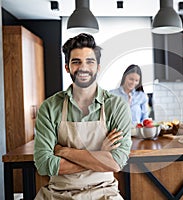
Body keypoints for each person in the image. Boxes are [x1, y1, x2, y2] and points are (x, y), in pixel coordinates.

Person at [34, 33, 132, 199]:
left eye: (90, 61)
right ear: (67, 67)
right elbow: (44, 164)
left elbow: (116, 162)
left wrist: (63, 151)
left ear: (98, 67)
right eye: (76, 62)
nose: (83, 67)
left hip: (105, 192)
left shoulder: (116, 106)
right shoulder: (49, 108)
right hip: (58, 193)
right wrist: (99, 155)